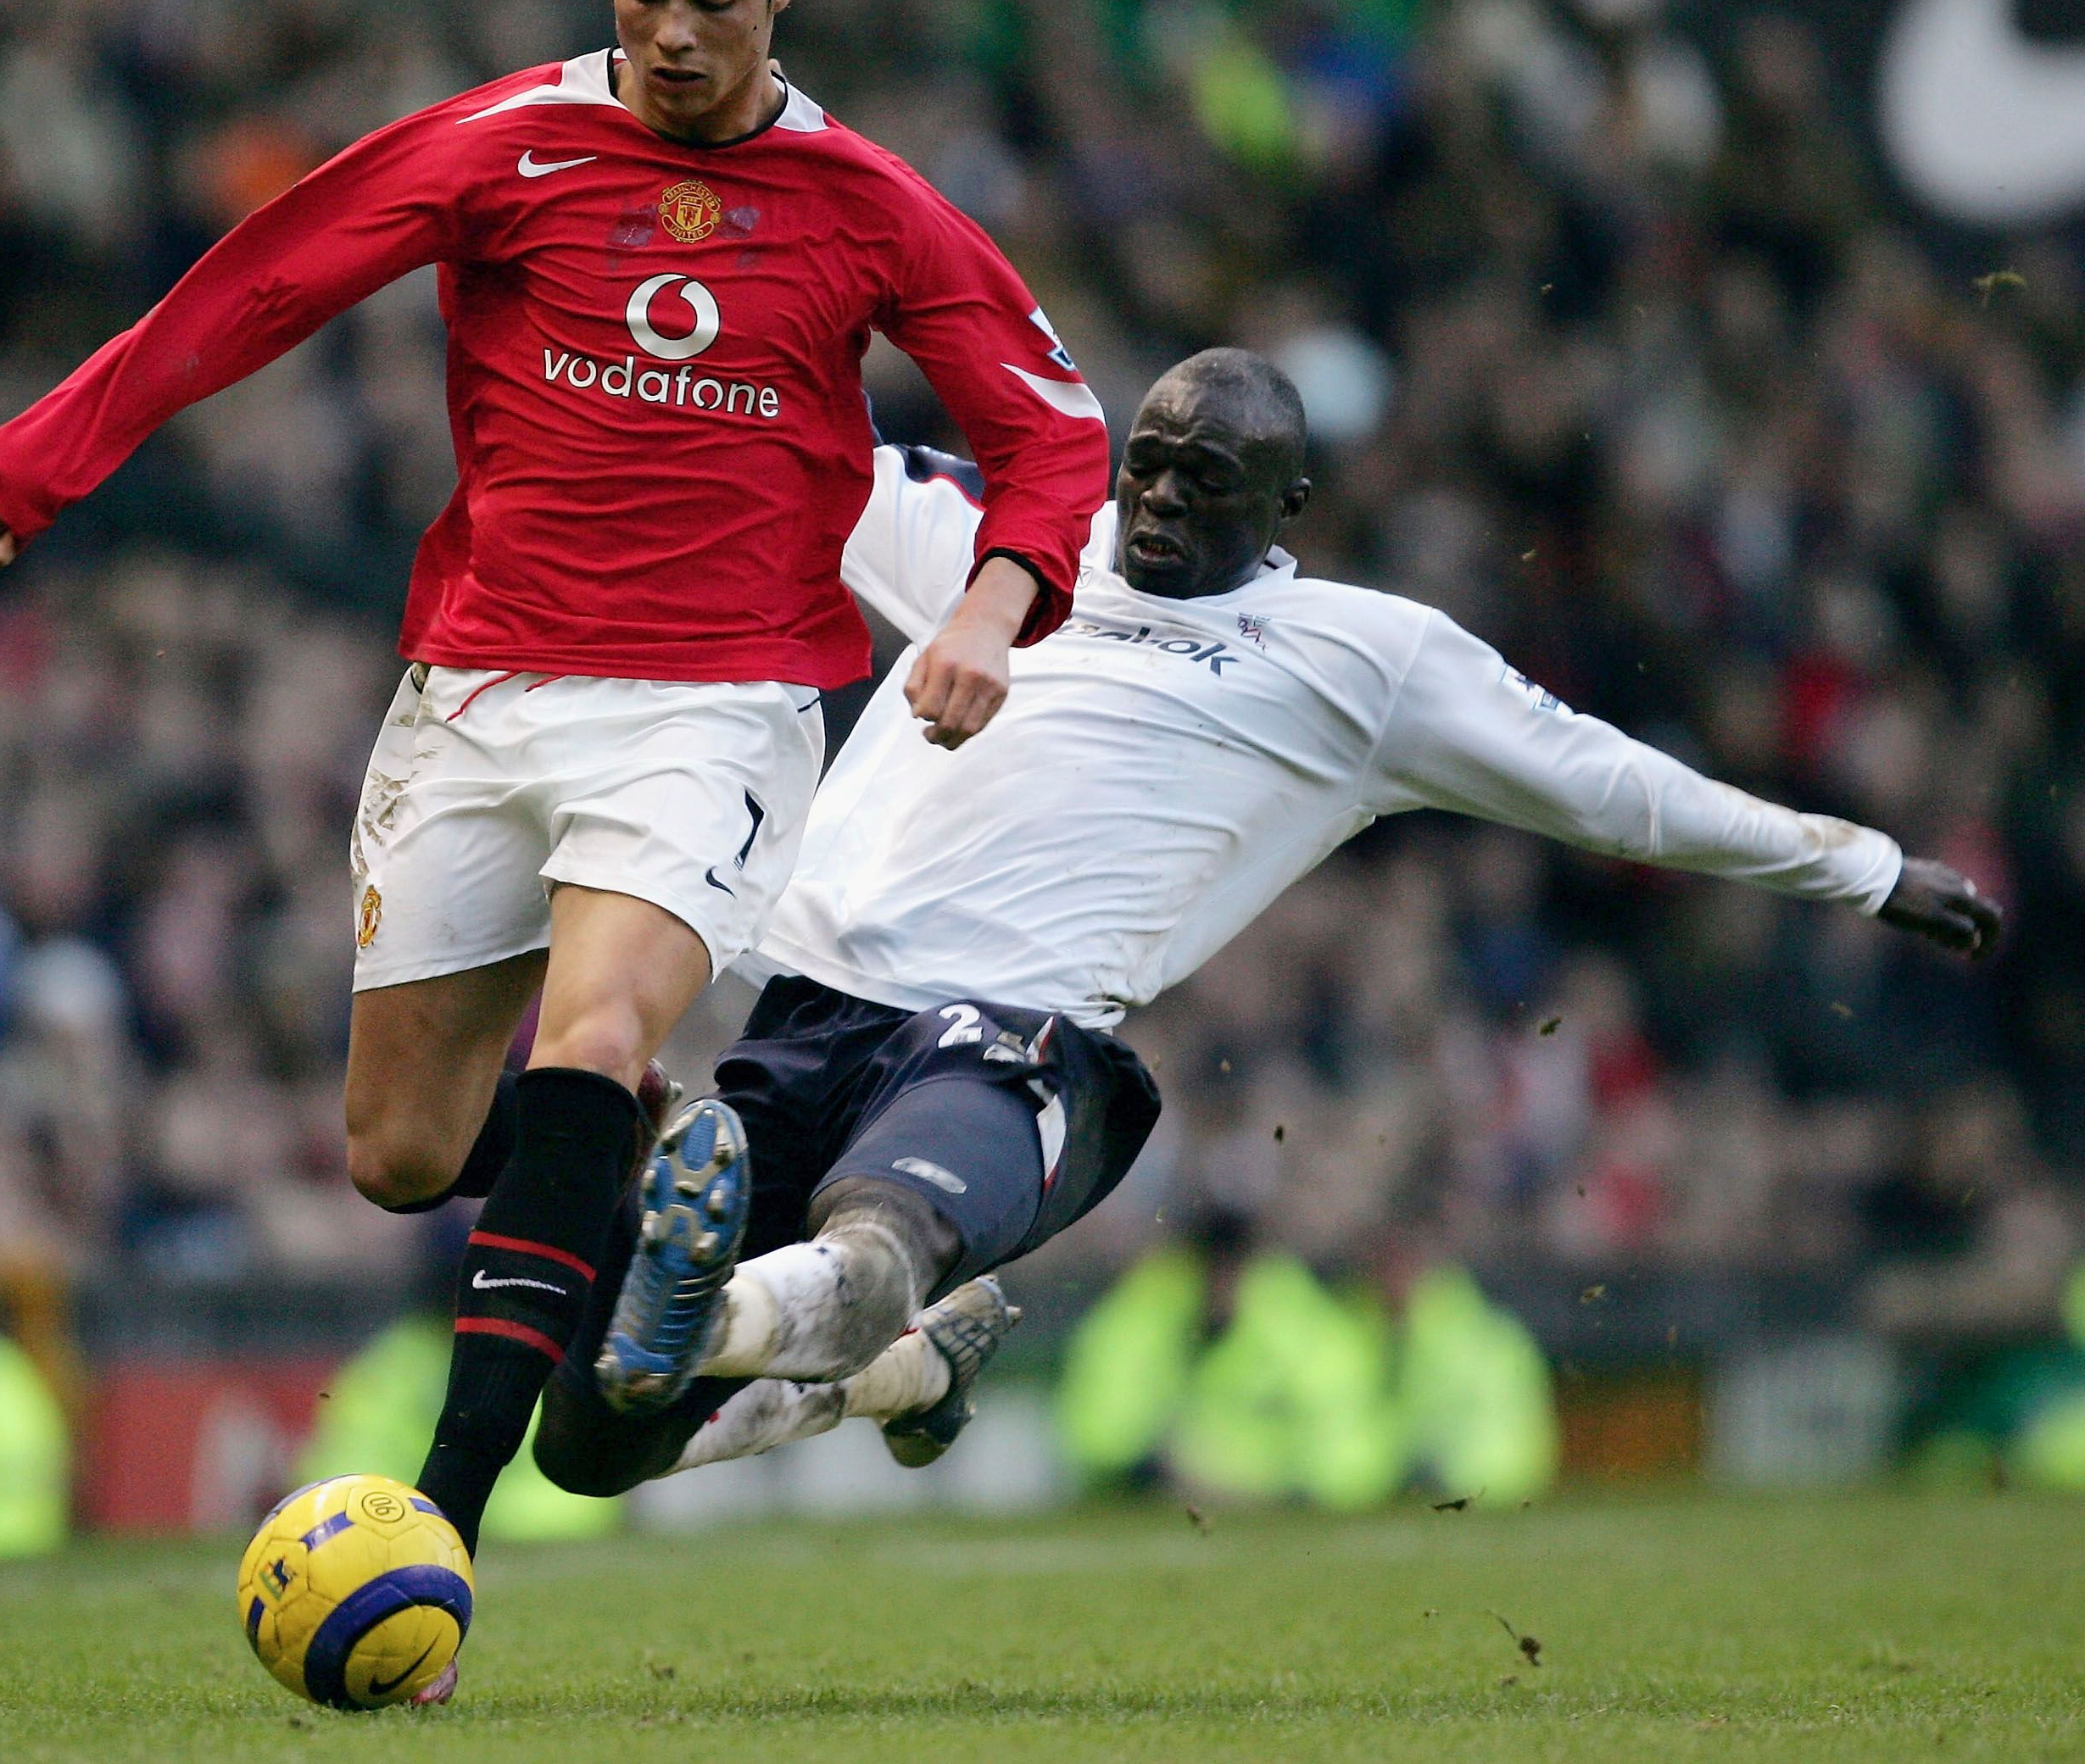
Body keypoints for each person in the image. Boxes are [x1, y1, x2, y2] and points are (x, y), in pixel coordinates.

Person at [0, 0, 1110, 1588]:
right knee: (401, 1150)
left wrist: (993, 605)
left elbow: (1055, 434)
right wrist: (42, 455)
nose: (675, 36)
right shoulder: (507, 141)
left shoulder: (872, 205)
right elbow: (265, 279)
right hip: (482, 690)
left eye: (716, 1)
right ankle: (657, 1204)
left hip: (715, 707)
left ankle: (439, 1522)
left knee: (592, 1045)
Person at [528, 345, 2000, 1501]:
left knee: (876, 1245)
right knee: (588, 1446)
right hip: (804, 1013)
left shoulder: (1368, 659)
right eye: (1149, 465)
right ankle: (895, 1375)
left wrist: (1859, 868)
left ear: (1288, 507)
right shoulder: (1005, 540)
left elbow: (1613, 789)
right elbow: (772, 448)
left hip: (1007, 1043)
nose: (1160, 499)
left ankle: (716, 1307)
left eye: (1208, 481)